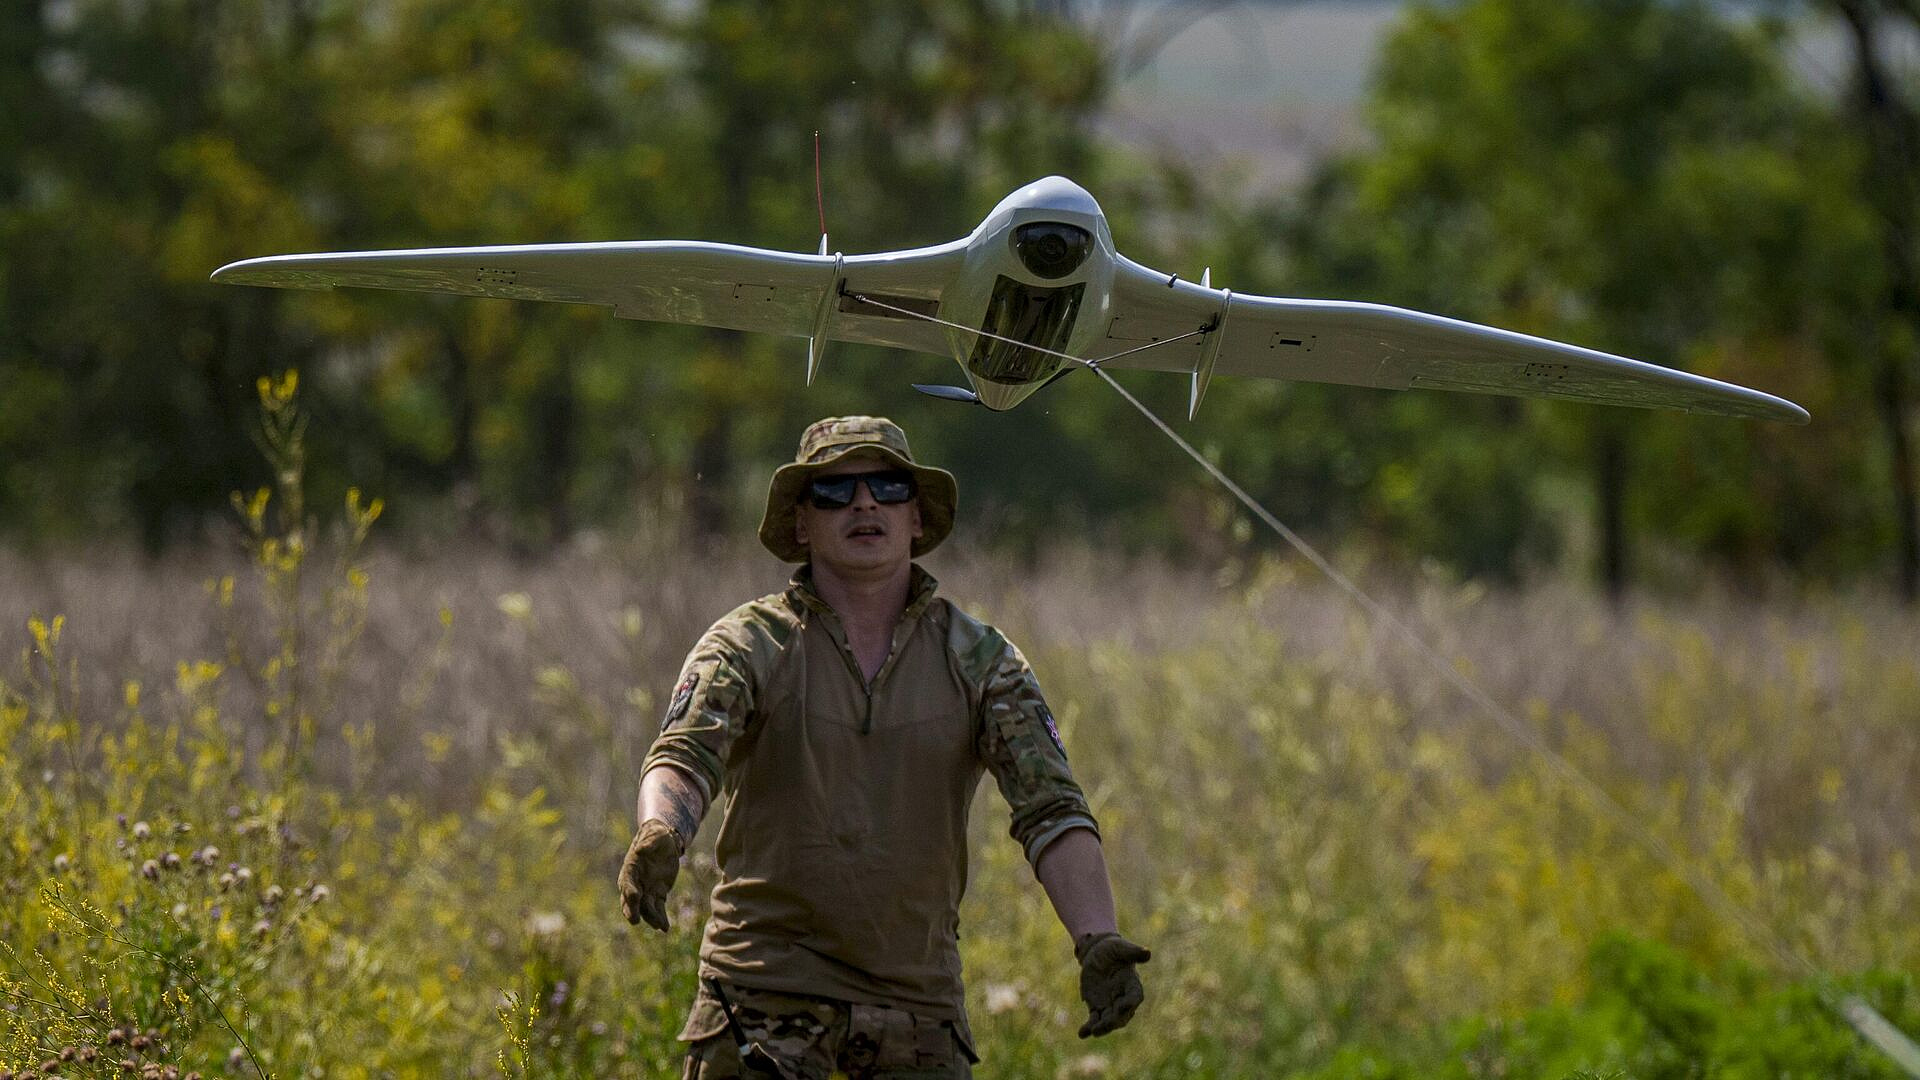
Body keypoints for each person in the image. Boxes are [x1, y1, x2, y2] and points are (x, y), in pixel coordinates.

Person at [619, 416, 1150, 1079]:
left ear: (916, 517)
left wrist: (1096, 937)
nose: (865, 503)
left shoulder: (981, 660)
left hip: (917, 1007)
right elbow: (685, 754)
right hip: (763, 996)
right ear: (802, 524)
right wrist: (662, 832)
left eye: (889, 488)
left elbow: (1051, 808)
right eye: (835, 491)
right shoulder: (749, 643)